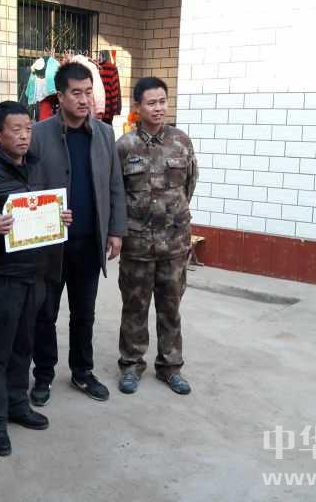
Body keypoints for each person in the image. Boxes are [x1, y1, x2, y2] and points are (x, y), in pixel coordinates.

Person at [0, 101, 73, 457]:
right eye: (16, 130)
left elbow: (42, 209)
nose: (24, 136)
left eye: (28, 129)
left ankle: (17, 403)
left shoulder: (36, 166)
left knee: (24, 345)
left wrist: (59, 216)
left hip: (35, 274)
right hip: (1, 277)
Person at [29, 62, 127, 406]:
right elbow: (26, 188)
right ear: (60, 96)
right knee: (45, 314)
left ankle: (82, 372)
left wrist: (115, 230)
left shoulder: (103, 133)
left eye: (89, 92)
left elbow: (115, 184)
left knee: (84, 313)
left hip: (89, 242)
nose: (85, 100)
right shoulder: (38, 134)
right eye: (77, 93)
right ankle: (43, 375)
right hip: (50, 245)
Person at [115, 77, 198, 396]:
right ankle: (131, 365)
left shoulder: (181, 141)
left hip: (174, 243)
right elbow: (116, 193)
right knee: (134, 306)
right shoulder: (124, 146)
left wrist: (172, 216)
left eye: (163, 101)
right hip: (136, 244)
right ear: (138, 107)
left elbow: (189, 184)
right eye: (152, 103)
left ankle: (170, 367)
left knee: (170, 307)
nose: (159, 108)